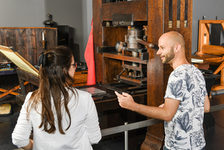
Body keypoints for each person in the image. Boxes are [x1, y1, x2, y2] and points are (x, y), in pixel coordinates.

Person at [115, 31, 210, 150]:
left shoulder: (176, 76)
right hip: (199, 145)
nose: (158, 52)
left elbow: (167, 114)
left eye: (162, 48)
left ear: (177, 47)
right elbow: (205, 107)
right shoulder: (196, 72)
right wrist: (174, 106)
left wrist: (132, 105)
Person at [12, 46, 101, 150]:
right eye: (73, 65)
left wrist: (33, 145)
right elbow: (95, 138)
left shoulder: (32, 98)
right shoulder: (85, 99)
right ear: (64, 70)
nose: (75, 67)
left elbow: (18, 139)